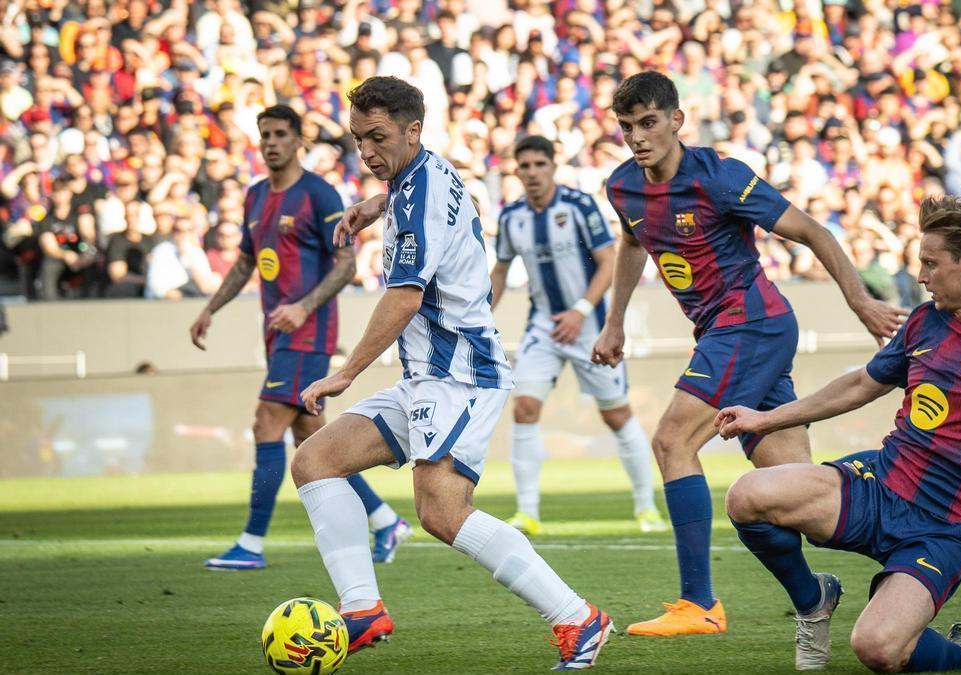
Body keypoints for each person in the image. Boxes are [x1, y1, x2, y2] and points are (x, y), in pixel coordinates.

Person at [291, 76, 614, 669]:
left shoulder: (417, 194)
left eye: (378, 137)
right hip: (427, 377)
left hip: (461, 373)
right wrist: (373, 202)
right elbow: (421, 197)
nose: (366, 151)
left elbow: (405, 297)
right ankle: (361, 607)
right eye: (358, 138)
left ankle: (578, 618)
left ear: (413, 130)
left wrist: (345, 374)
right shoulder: (419, 176)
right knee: (314, 461)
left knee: (441, 510)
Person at [591, 71, 906, 636]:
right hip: (723, 331)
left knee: (672, 441)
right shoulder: (622, 188)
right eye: (627, 127)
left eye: (648, 123)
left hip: (750, 324)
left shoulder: (719, 176)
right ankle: (819, 593)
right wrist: (614, 322)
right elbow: (634, 243)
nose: (637, 136)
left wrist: (861, 300)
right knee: (793, 493)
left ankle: (700, 604)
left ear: (676, 121)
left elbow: (812, 230)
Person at [715, 190, 961, 671]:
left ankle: (957, 657)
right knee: (747, 496)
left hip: (948, 525)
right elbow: (863, 383)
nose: (921, 276)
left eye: (930, 263)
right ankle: (813, 599)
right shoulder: (926, 321)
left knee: (878, 648)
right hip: (882, 484)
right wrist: (765, 419)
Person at [188, 105, 411, 571]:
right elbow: (248, 264)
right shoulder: (253, 198)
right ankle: (386, 519)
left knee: (265, 422)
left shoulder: (318, 194)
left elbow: (346, 264)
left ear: (297, 141)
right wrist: (210, 309)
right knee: (310, 435)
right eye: (264, 134)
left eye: (280, 134)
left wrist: (304, 306)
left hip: (309, 331)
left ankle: (250, 543)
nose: (271, 142)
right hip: (278, 332)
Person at [490, 134, 664, 536]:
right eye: (525, 166)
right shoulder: (512, 216)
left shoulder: (579, 205)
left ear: (553, 167)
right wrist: (480, 315)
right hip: (545, 328)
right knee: (524, 408)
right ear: (516, 171)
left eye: (540, 164)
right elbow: (500, 271)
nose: (532, 173)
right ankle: (527, 512)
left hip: (590, 329)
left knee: (617, 414)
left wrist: (581, 310)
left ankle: (646, 506)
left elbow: (609, 261)